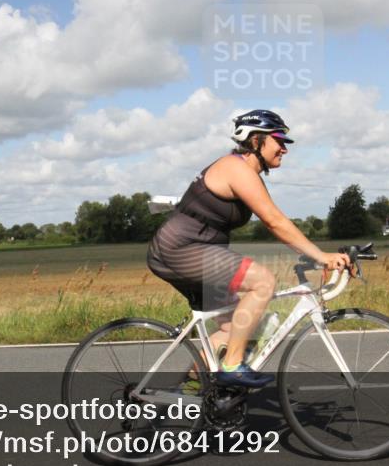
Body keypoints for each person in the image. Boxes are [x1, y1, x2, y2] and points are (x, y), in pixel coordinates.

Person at [147, 110, 352, 388]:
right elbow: (274, 221)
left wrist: (312, 255)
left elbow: (280, 223)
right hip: (181, 249)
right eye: (279, 140)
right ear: (256, 141)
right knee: (263, 282)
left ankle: (198, 394)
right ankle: (231, 367)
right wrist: (321, 256)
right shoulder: (236, 169)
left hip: (192, 250)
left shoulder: (248, 173)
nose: (284, 148)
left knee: (237, 328)